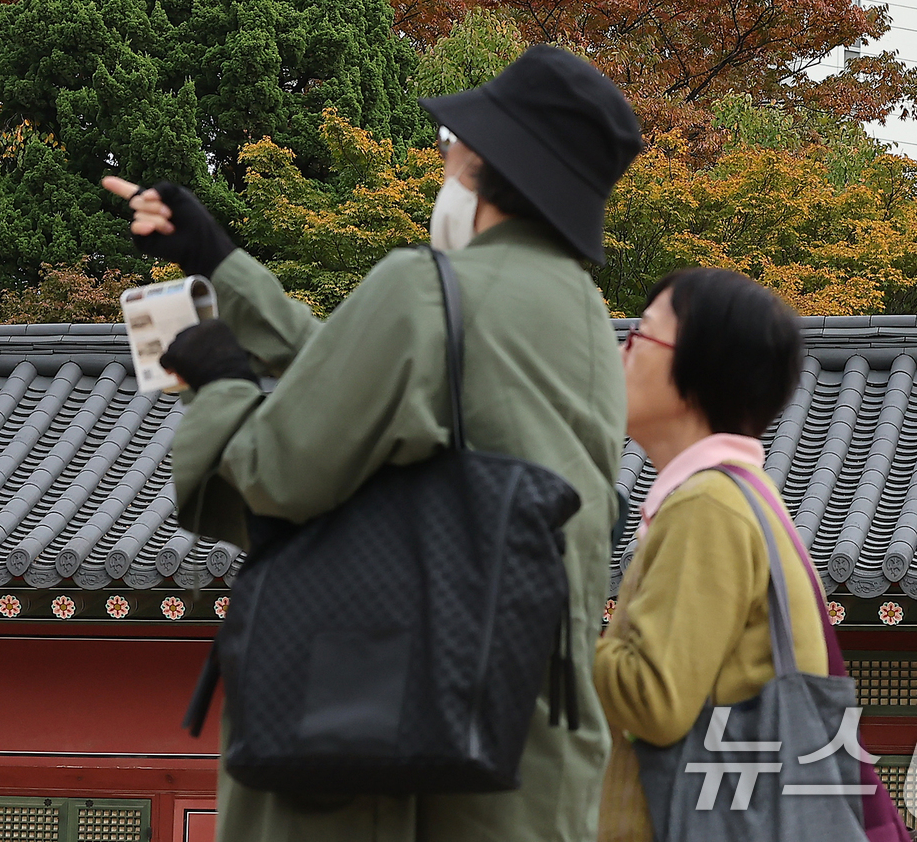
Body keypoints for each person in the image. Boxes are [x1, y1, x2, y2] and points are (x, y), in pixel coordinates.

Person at [103, 44, 642, 841]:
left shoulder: (425, 286)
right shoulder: (586, 321)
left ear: (485, 165)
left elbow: (272, 475)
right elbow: (370, 378)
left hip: (387, 752)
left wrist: (221, 383)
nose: (445, 160)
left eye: (452, 145)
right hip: (527, 758)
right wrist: (220, 263)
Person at [591, 267, 822, 842]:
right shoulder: (737, 496)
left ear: (699, 369)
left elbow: (654, 698)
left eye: (639, 335)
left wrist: (540, 627)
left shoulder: (709, 506)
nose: (621, 352)